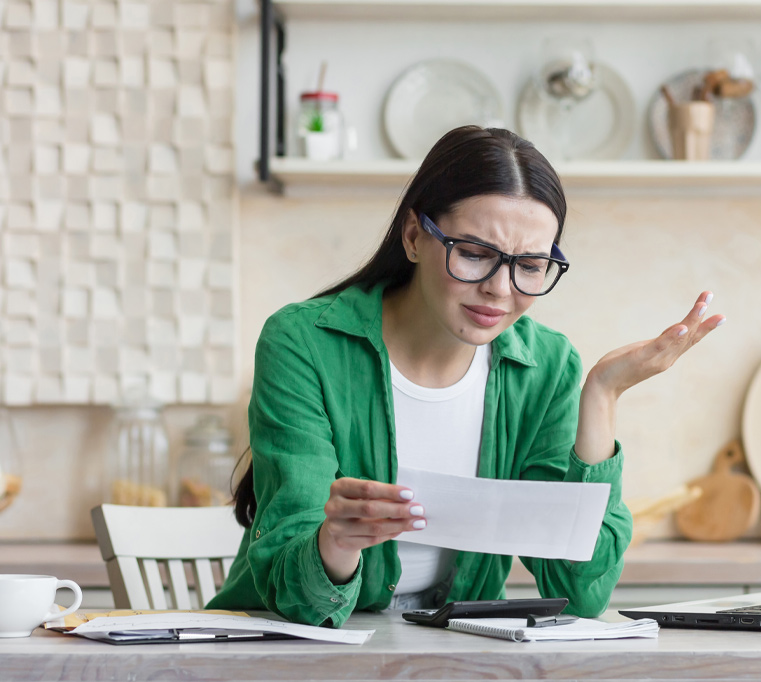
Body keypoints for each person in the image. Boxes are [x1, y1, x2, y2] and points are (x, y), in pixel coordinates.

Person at [207, 126, 725, 626]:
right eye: (475, 255)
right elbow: (297, 600)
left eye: (531, 265)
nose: (501, 289)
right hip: (289, 648)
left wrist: (603, 394)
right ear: (414, 236)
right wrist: (335, 542)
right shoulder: (304, 343)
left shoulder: (545, 367)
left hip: (452, 655)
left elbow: (582, 589)